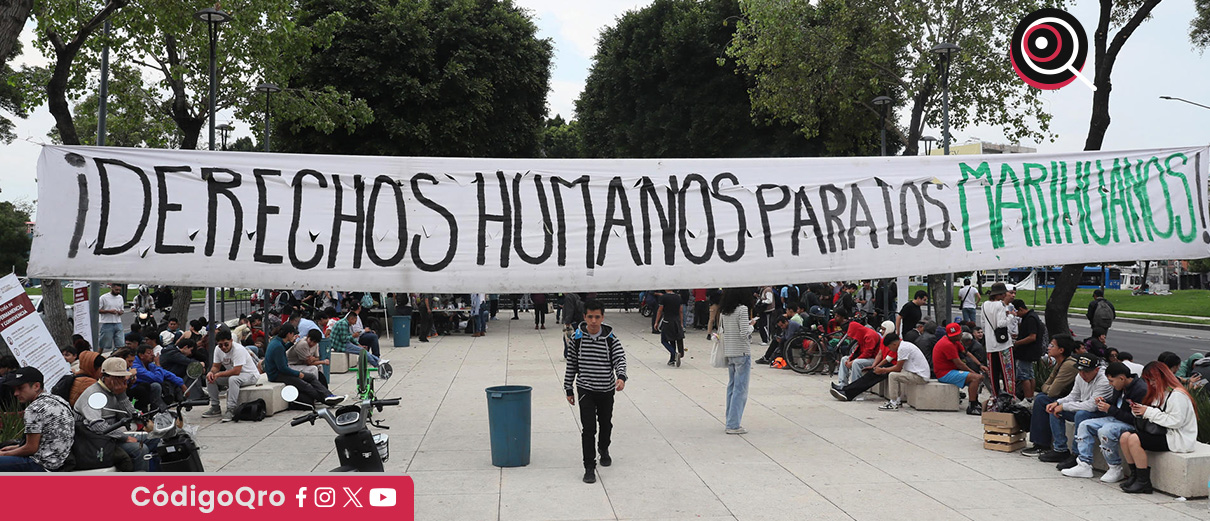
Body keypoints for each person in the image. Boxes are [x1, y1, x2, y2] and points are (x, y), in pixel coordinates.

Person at [563, 300, 627, 484]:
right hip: (585, 390)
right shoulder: (577, 338)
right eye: (590, 317)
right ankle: (589, 466)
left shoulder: (610, 338)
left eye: (597, 317)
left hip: (606, 389)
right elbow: (572, 364)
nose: (593, 321)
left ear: (602, 317)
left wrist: (621, 376)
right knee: (589, 429)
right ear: (584, 317)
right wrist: (568, 387)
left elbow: (620, 358)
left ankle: (604, 448)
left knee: (605, 423)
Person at [1116, 362, 1199, 494]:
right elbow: (1155, 412)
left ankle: (1144, 482)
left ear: (1163, 377)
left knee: (1133, 439)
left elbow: (1175, 421)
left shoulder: (1177, 395)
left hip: (1177, 437)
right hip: (1164, 432)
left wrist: (1147, 411)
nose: (1151, 383)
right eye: (1148, 380)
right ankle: (1135, 476)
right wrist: (1139, 410)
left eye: (1152, 380)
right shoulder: (1162, 392)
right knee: (1125, 437)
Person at [1063, 362, 1147, 481]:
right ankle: (1084, 464)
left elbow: (1135, 419)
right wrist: (1105, 402)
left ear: (1122, 378)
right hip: (1115, 418)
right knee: (1084, 425)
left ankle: (1115, 467)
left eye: (1111, 381)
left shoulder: (1140, 390)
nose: (1110, 384)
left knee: (1106, 431)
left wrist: (1110, 409)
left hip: (1130, 423)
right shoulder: (1119, 386)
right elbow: (1116, 404)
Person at [1038, 353, 1113, 470]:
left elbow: (1091, 406)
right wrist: (1058, 403)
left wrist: (1064, 406)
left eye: (1086, 372)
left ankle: (1076, 454)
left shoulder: (1104, 380)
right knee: (1054, 410)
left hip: (1101, 412)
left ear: (1096, 370)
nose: (1082, 374)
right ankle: (1060, 449)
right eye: (1080, 371)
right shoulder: (1080, 376)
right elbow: (1073, 396)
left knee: (1081, 414)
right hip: (1085, 408)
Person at [75, 357, 150, 471]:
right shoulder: (94, 395)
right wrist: (124, 437)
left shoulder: (115, 391)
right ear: (104, 377)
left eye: (121, 377)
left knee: (154, 438)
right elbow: (97, 425)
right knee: (140, 449)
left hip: (112, 437)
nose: (120, 381)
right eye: (116, 377)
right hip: (95, 440)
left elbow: (131, 416)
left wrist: (122, 396)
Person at [0, 367, 75, 472]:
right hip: (59, 462)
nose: (15, 393)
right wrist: (15, 447)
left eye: (20, 388)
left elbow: (31, 448)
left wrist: (4, 454)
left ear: (36, 386)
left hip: (42, 465)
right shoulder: (59, 400)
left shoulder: (34, 408)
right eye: (15, 389)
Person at [1022, 335, 1081, 456]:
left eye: (1052, 345)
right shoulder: (1060, 363)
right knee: (1042, 397)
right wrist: (1047, 388)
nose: (1048, 348)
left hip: (1076, 402)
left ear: (1061, 350)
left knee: (1042, 400)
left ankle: (1041, 444)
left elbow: (1053, 391)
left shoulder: (1069, 365)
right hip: (1065, 398)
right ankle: (1040, 443)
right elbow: (1046, 385)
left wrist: (1047, 388)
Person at [264, 325, 343, 407]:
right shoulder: (278, 346)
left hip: (279, 372)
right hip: (277, 375)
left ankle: (329, 396)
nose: (294, 336)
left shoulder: (276, 341)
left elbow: (283, 349)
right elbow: (282, 368)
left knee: (311, 377)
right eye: (293, 334)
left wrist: (291, 343)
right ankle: (327, 400)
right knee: (305, 385)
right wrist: (297, 374)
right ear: (288, 334)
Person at [202, 330, 262, 422]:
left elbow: (236, 371)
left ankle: (231, 409)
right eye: (220, 345)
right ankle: (215, 407)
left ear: (231, 341)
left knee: (233, 379)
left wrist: (219, 374)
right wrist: (211, 373)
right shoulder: (218, 349)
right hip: (234, 374)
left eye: (226, 344)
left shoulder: (238, 350)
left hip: (250, 375)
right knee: (210, 378)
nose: (223, 347)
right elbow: (216, 366)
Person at [933, 323, 987, 415]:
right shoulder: (947, 344)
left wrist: (979, 365)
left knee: (977, 378)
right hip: (944, 373)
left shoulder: (955, 341)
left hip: (950, 370)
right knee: (976, 378)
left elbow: (967, 353)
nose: (958, 336)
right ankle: (972, 406)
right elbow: (959, 364)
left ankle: (975, 401)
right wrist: (973, 373)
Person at [875, 334, 932, 411]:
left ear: (894, 344)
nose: (890, 349)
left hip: (920, 376)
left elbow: (897, 368)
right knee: (898, 374)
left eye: (889, 347)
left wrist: (883, 370)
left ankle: (893, 403)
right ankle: (898, 400)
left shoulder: (902, 348)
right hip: (919, 373)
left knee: (893, 375)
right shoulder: (904, 345)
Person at [980, 282, 1015, 398]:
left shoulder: (984, 305)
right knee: (1007, 374)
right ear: (1001, 294)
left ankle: (995, 396)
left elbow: (983, 324)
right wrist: (1011, 316)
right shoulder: (1000, 305)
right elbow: (1001, 324)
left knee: (993, 374)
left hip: (990, 345)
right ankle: (1009, 397)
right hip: (1003, 344)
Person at [129, 344, 186, 411]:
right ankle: (153, 410)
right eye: (149, 353)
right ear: (141, 355)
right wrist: (158, 365)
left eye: (152, 352)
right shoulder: (136, 366)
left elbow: (166, 373)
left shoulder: (149, 365)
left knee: (170, 381)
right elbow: (158, 379)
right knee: (156, 386)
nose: (153, 355)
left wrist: (181, 383)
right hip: (133, 395)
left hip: (143, 392)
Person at [1012, 300, 1046, 402]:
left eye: (1017, 312)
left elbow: (1032, 337)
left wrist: (1017, 343)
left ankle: (1028, 398)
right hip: (1031, 351)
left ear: (1021, 309)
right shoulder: (1031, 316)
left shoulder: (1030, 319)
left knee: (1023, 376)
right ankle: (1030, 397)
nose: (1017, 315)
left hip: (1027, 352)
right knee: (1030, 374)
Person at [832, 319, 880, 388]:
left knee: (856, 363)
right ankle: (842, 384)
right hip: (866, 357)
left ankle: (854, 387)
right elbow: (858, 350)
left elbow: (867, 353)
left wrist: (852, 361)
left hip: (874, 359)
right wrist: (850, 359)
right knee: (844, 359)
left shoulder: (869, 335)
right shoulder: (862, 334)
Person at [656, 289, 686, 367]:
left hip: (667, 320)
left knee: (664, 340)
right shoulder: (678, 297)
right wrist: (681, 322)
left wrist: (656, 322)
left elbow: (660, 310)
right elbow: (681, 311)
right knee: (673, 339)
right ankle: (672, 360)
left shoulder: (663, 297)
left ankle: (674, 354)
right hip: (676, 321)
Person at [98, 283, 126, 353]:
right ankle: (97, 356)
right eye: (116, 290)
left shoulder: (120, 297)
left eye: (119, 290)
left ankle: (119, 357)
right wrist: (108, 311)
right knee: (103, 343)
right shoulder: (103, 297)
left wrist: (120, 312)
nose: (118, 292)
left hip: (118, 322)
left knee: (120, 344)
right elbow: (98, 310)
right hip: (107, 323)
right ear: (111, 288)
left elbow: (122, 310)